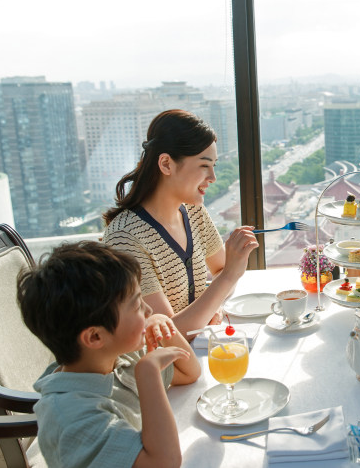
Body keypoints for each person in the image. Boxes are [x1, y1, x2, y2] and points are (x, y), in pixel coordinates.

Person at [17, 241, 202, 468]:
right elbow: (164, 463)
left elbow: (189, 372)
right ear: (95, 337)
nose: (149, 310)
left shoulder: (117, 359)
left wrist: (165, 328)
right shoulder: (71, 417)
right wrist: (149, 374)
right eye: (136, 306)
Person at [102, 109, 259, 337]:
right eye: (204, 165)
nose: (213, 177)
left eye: (214, 165)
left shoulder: (193, 211)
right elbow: (168, 335)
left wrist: (213, 305)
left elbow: (220, 268)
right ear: (166, 164)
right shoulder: (124, 238)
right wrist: (227, 279)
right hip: (159, 368)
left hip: (195, 354)